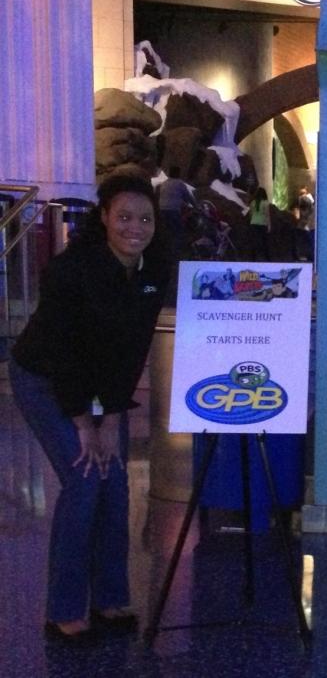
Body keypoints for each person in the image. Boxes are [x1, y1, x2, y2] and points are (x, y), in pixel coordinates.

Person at [9, 172, 169, 644]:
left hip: (99, 385)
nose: (134, 227)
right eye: (123, 217)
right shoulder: (72, 270)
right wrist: (86, 423)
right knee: (84, 478)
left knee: (114, 479)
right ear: (103, 218)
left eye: (144, 218)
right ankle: (62, 610)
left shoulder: (151, 272)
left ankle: (110, 597)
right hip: (43, 378)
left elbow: (131, 350)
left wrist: (113, 416)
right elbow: (66, 354)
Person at [246, 185, 270, 261]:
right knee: (263, 241)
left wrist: (251, 221)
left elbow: (250, 213)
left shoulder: (252, 203)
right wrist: (269, 225)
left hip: (253, 223)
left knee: (255, 240)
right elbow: (267, 214)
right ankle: (263, 258)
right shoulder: (265, 203)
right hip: (262, 223)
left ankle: (253, 257)